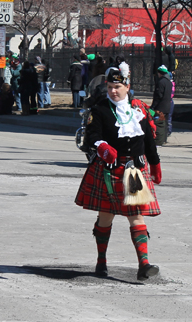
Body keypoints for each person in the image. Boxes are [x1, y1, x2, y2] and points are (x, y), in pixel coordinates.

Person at [75, 63, 162, 281]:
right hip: (109, 170)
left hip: (134, 171)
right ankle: (101, 261)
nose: (113, 91)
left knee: (136, 215)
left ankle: (144, 264)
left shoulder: (139, 109)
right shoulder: (100, 109)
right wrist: (102, 146)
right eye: (110, 86)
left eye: (117, 87)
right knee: (106, 217)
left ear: (127, 86)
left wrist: (155, 163)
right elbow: (92, 136)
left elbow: (149, 139)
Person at [150, 65, 172, 147]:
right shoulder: (169, 82)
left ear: (160, 73)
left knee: (159, 124)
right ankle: (164, 139)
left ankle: (159, 140)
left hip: (160, 107)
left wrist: (153, 106)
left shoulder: (161, 82)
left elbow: (158, 96)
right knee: (165, 124)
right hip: (167, 106)